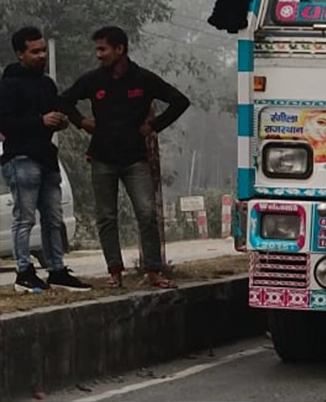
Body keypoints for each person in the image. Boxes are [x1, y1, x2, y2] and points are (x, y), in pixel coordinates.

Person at [60, 26, 190, 288]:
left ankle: (153, 271)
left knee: (146, 213)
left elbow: (180, 101)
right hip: (102, 158)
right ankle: (114, 273)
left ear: (120, 49)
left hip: (135, 159)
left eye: (103, 49)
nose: (98, 55)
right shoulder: (93, 80)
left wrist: (153, 126)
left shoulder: (143, 79)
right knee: (107, 217)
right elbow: (63, 100)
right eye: (97, 49)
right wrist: (81, 121)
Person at [0, 27, 92, 293]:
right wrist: (39, 121)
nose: (41, 56)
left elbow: (51, 115)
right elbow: (6, 123)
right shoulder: (8, 85)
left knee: (53, 218)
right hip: (21, 158)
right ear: (20, 54)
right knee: (24, 217)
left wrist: (58, 122)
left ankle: (57, 269)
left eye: (43, 50)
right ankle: (23, 272)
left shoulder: (47, 84)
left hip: (47, 158)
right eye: (35, 51)